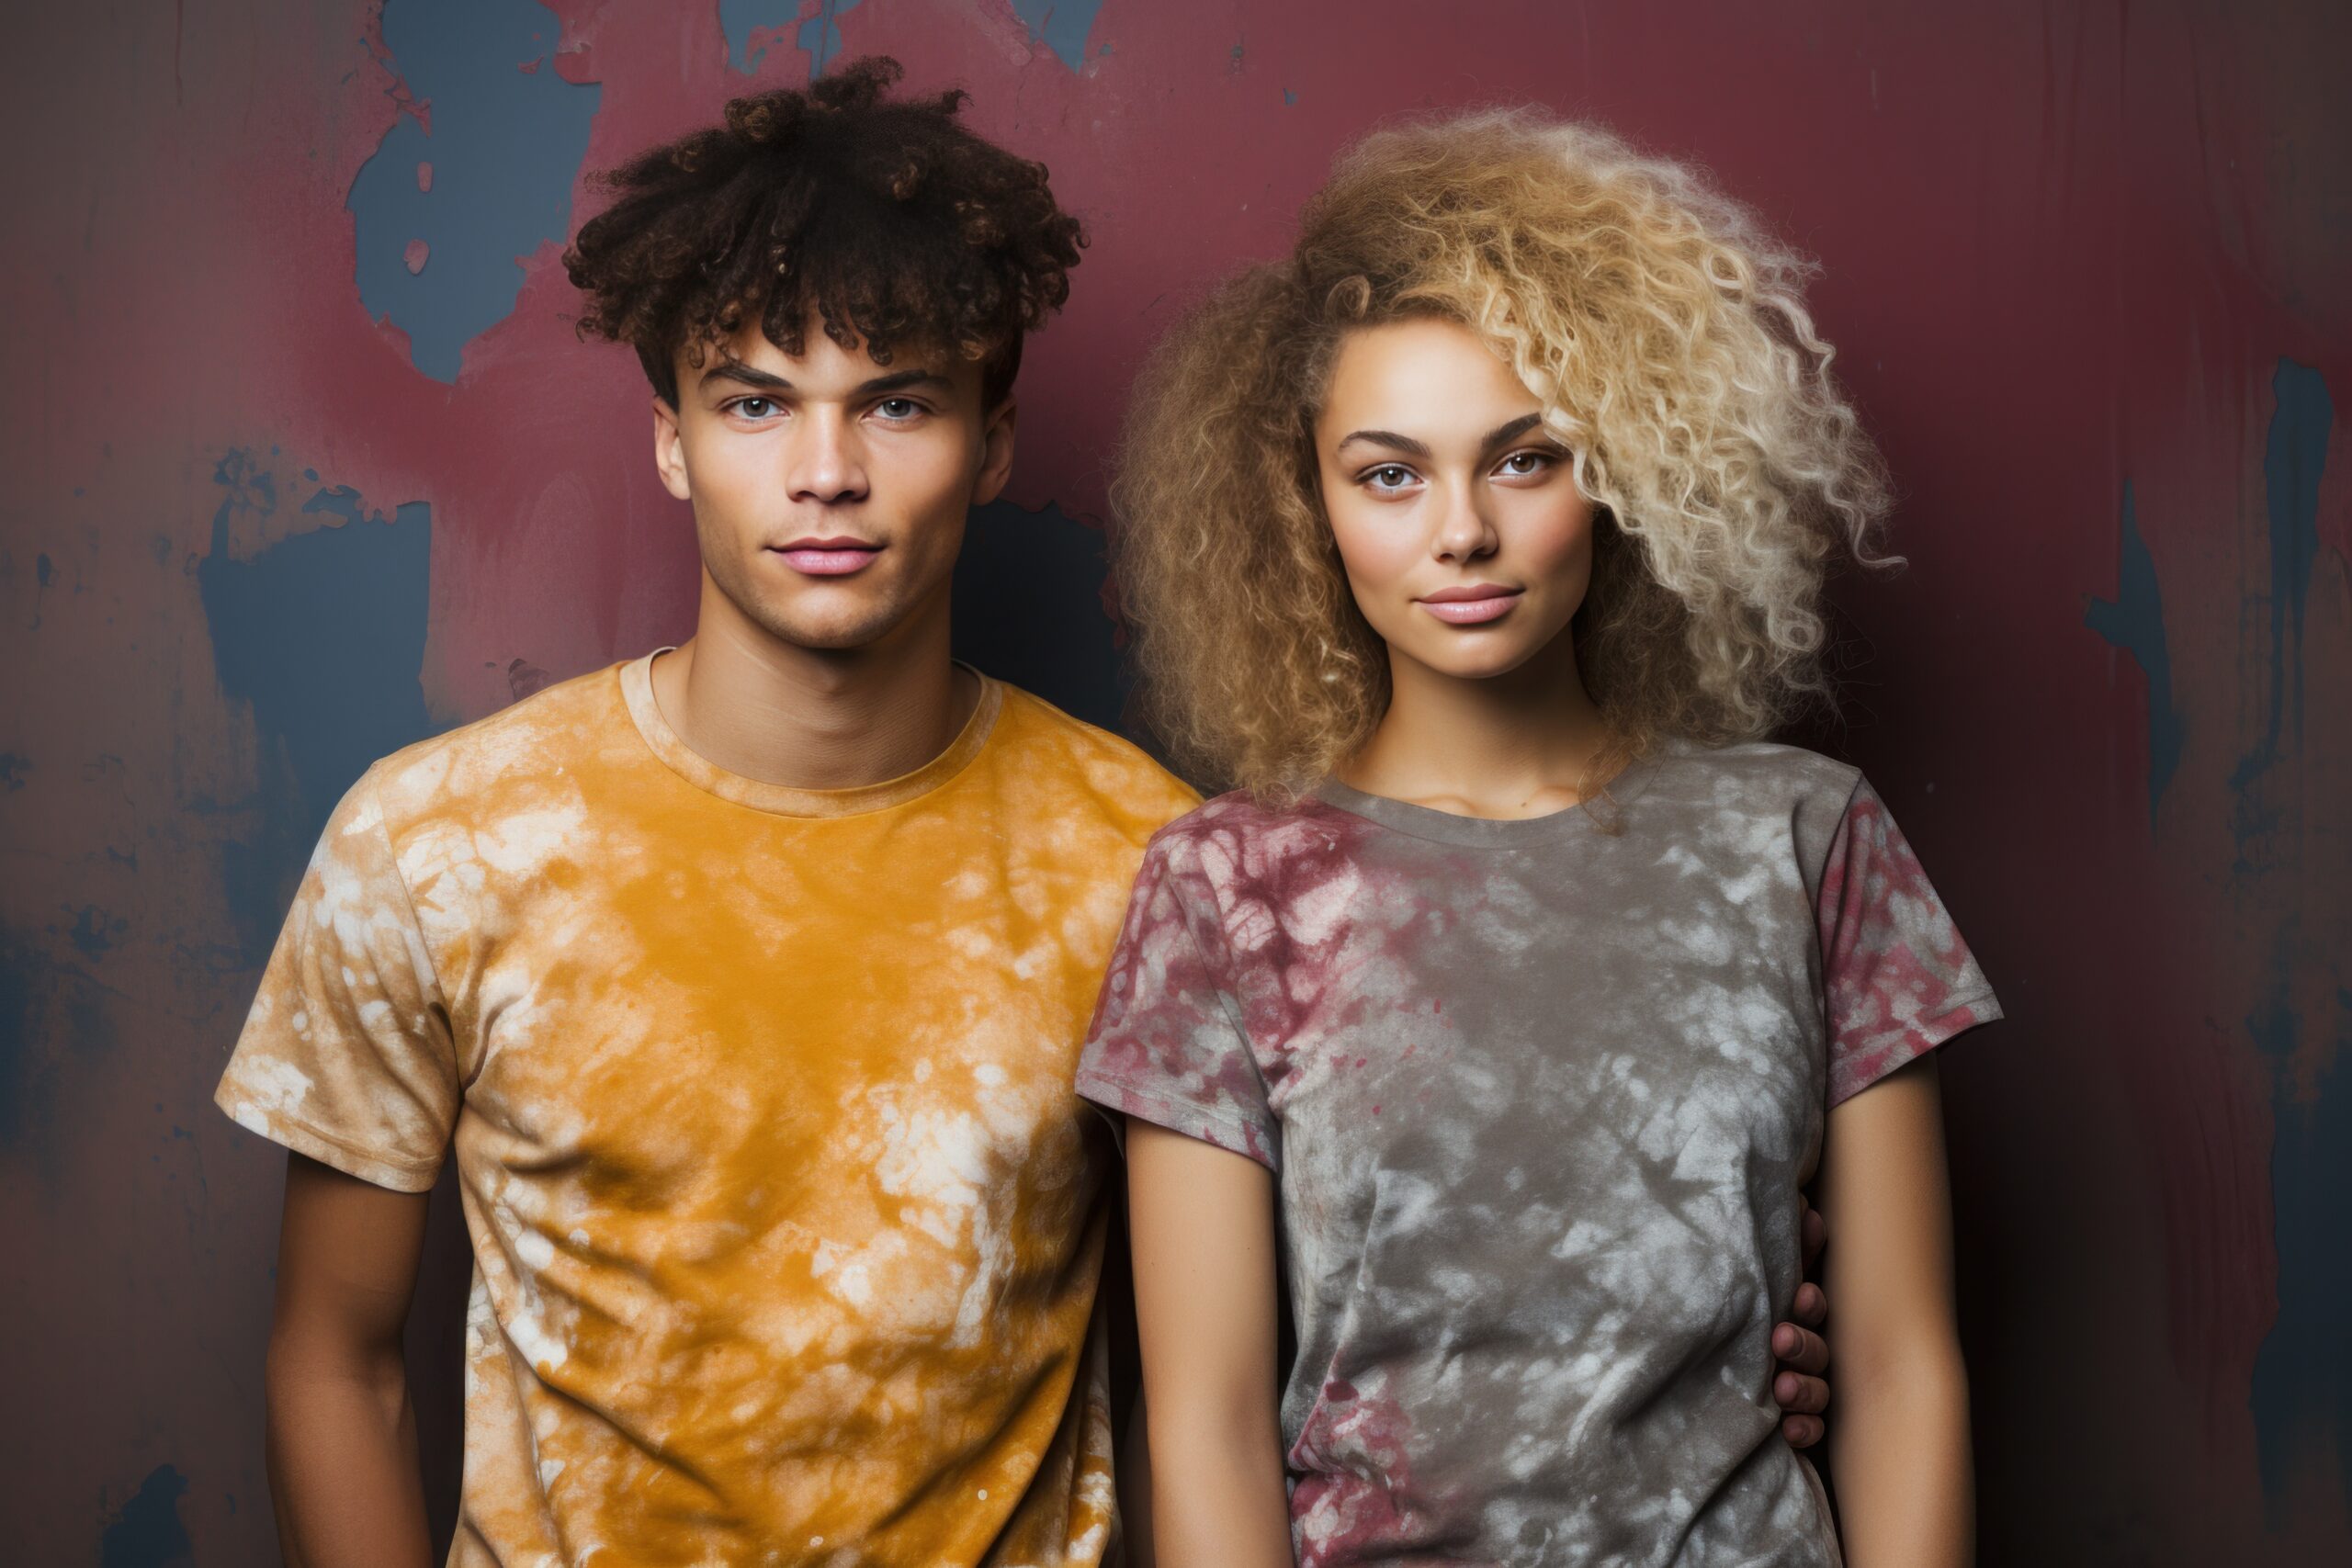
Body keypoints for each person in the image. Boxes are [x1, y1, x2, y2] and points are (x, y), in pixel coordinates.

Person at [216, 64, 1837, 1566]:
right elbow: (334, 1359)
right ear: (670, 443)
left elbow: (1377, 1296)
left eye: (898, 404)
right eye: (756, 403)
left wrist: (1719, 1349)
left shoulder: (1155, 861)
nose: (827, 471)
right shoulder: (435, 844)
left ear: (992, 445)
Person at [1081, 109, 1997, 1567]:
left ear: (1619, 473)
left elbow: (1900, 1369)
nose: (1462, 532)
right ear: (1307, 507)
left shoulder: (1805, 840)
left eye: (1525, 459)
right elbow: (1204, 1424)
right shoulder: (1228, 888)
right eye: (1390, 474)